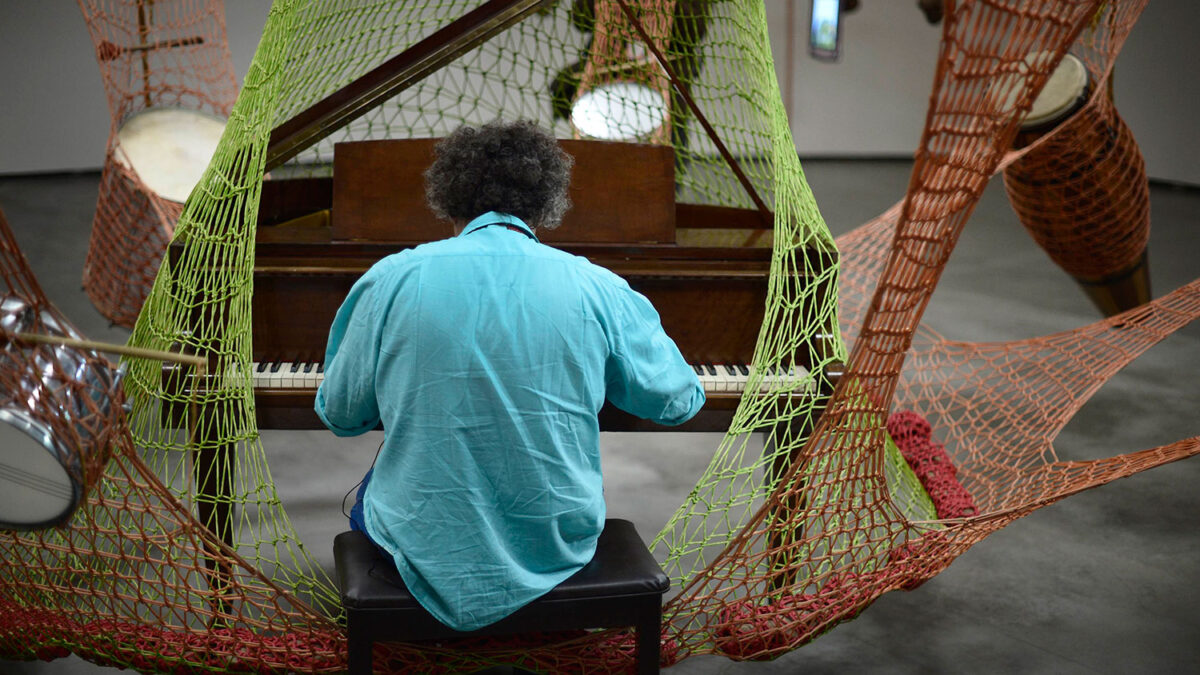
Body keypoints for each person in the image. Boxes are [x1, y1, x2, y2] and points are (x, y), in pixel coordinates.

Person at [315, 119, 705, 632]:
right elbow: (676, 402)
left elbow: (342, 416)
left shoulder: (393, 276)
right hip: (558, 540)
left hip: (416, 536)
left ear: (448, 197)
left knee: (379, 487)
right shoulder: (598, 285)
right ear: (546, 201)